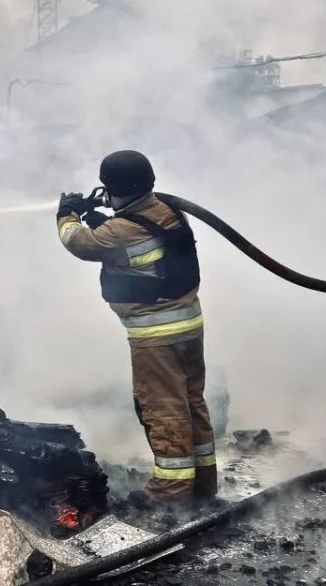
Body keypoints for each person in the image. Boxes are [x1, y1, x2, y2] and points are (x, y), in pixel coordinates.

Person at [56, 150, 216, 505]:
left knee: (163, 409)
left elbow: (77, 243)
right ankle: (203, 486)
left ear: (119, 188)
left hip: (156, 336)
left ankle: (171, 495)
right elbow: (133, 243)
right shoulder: (165, 212)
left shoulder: (122, 229)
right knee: (191, 403)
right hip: (188, 325)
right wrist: (100, 219)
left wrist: (66, 213)